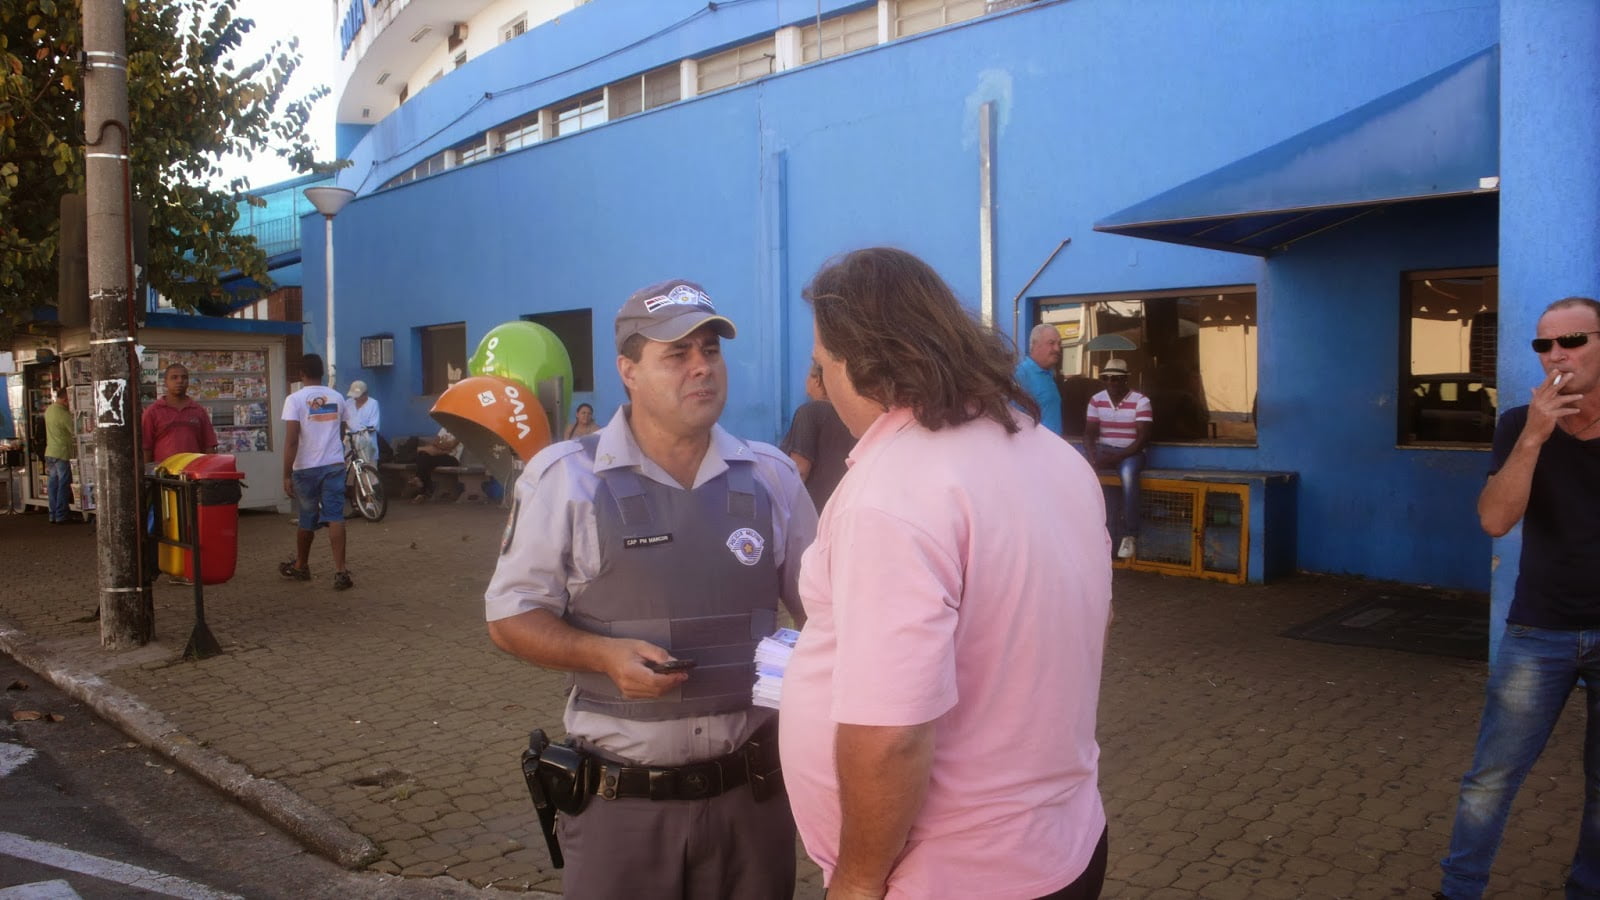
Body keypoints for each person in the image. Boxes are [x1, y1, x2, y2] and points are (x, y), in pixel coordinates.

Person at [780, 248, 1112, 900]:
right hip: (1063, 846)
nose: (822, 383)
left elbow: (891, 733)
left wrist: (855, 881)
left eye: (823, 366)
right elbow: (1083, 622)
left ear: (862, 363)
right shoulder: (1051, 455)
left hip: (954, 875)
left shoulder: (893, 489)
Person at [484, 278, 816, 899]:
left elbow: (828, 616)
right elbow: (509, 617)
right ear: (628, 370)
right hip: (623, 810)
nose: (701, 369)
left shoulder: (770, 477)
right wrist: (601, 655)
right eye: (677, 354)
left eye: (710, 351)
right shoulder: (566, 479)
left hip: (753, 798)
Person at [1437, 296, 1600, 900]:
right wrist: (1534, 436)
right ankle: (1460, 890)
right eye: (1544, 344)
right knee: (1491, 779)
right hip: (1541, 629)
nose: (1556, 354)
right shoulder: (1516, 423)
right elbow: (1494, 521)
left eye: (1573, 341)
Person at [279, 354, 355, 590]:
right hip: (333, 465)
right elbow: (342, 429)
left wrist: (285, 474)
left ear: (301, 373)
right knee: (335, 516)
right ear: (321, 372)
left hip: (306, 468)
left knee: (307, 518)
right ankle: (340, 571)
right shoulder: (337, 397)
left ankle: (302, 565)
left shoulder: (294, 399)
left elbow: (292, 440)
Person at [1083, 357, 1152, 560]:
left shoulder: (1141, 401)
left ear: (1125, 380)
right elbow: (1088, 434)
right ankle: (1090, 534)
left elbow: (1142, 439)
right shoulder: (1096, 400)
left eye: (1117, 379)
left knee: (1129, 476)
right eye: (1108, 378)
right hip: (1105, 451)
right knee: (1084, 476)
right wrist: (1092, 457)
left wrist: (1116, 457)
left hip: (1131, 453)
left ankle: (1130, 534)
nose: (1112, 382)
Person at [780, 362, 855, 511]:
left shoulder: (810, 412)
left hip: (813, 511)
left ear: (817, 380)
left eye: (809, 376)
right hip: (843, 506)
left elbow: (800, 470)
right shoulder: (852, 417)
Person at [141, 363, 218, 464]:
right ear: (165, 382)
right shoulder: (153, 412)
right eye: (174, 378)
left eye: (184, 377)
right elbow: (146, 448)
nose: (180, 381)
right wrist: (146, 476)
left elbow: (209, 446)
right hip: (164, 475)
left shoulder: (198, 411)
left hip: (193, 472)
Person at [1016, 322, 1065, 436]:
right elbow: (1014, 419)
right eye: (1051, 343)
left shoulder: (1049, 374)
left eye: (1059, 344)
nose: (1057, 349)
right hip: (1035, 450)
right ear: (1034, 344)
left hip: (1053, 448)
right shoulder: (1021, 374)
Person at [44, 386, 77, 525]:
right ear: (65, 399)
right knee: (63, 484)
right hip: (62, 452)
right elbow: (75, 430)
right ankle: (61, 514)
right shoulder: (64, 414)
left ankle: (52, 514)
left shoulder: (49, 410)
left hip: (50, 451)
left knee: (53, 484)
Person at [410, 427, 462, 503]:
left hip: (453, 459)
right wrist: (444, 448)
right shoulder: (443, 429)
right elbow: (435, 442)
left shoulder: (459, 431)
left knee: (425, 459)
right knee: (423, 455)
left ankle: (421, 487)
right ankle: (421, 487)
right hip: (440, 455)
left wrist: (440, 446)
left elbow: (451, 446)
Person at [346, 380, 380, 465]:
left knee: (369, 472)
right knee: (350, 469)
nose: (355, 398)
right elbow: (344, 420)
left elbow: (374, 426)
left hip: (367, 443)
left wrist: (362, 432)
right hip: (350, 443)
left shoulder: (373, 403)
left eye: (358, 396)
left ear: (365, 394)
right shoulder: (348, 403)